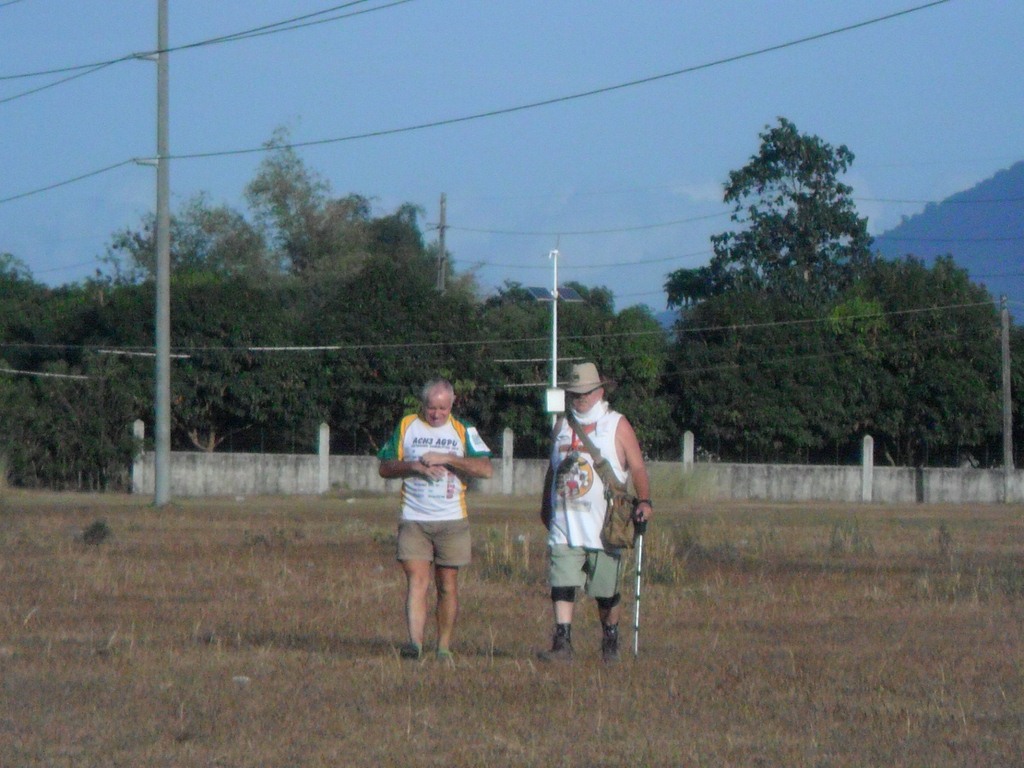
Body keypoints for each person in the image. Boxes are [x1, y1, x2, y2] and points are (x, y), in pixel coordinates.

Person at [538, 362, 653, 663]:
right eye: (575, 393)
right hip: (565, 523)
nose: (580, 398)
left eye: (586, 392)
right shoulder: (561, 426)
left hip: (605, 526)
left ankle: (610, 638)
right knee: (562, 583)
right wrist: (545, 505)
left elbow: (637, 467)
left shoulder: (617, 424)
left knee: (606, 591)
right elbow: (552, 470)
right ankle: (562, 642)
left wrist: (644, 501)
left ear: (600, 391)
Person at [378, 378, 493, 661]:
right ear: (423, 404)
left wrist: (448, 458)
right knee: (417, 581)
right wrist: (414, 467)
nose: (437, 414)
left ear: (452, 405)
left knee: (447, 584)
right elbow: (385, 467)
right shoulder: (408, 425)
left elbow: (485, 469)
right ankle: (414, 645)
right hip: (414, 517)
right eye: (431, 408)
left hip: (452, 520)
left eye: (443, 408)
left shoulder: (463, 429)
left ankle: (443, 647)